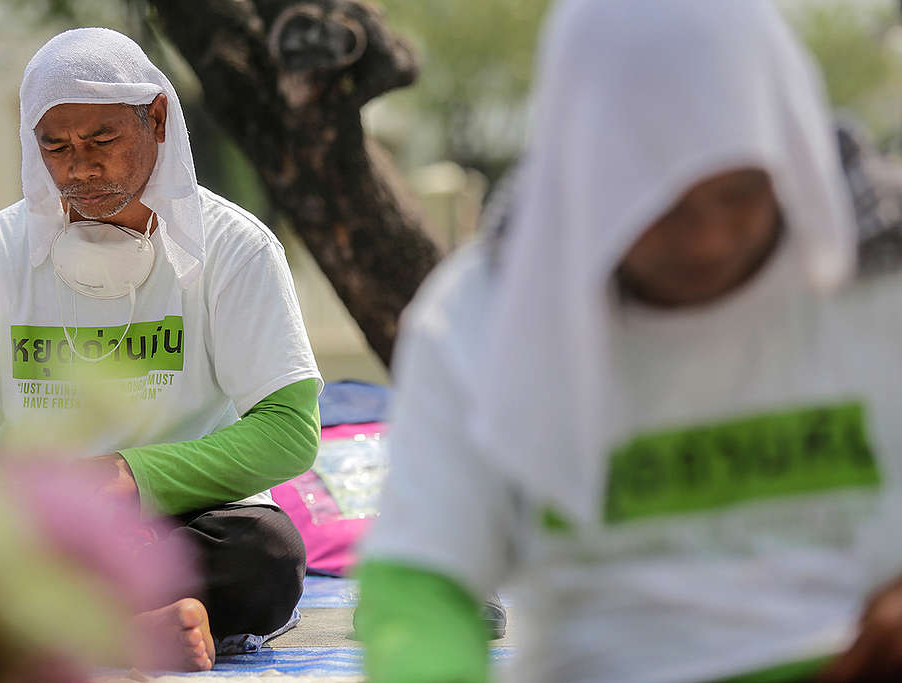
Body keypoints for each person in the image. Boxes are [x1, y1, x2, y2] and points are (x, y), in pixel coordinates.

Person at [357, 1, 902, 681]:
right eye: (662, 205)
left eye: (738, 195)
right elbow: (421, 586)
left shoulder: (884, 279)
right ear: (588, 178)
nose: (708, 240)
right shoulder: (477, 320)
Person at [0, 28, 323, 672]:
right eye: (56, 146)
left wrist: (130, 478)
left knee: (263, 553)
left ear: (157, 120)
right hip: (37, 530)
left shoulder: (236, 248)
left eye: (103, 140)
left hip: (182, 526)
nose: (80, 168)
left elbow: (289, 431)